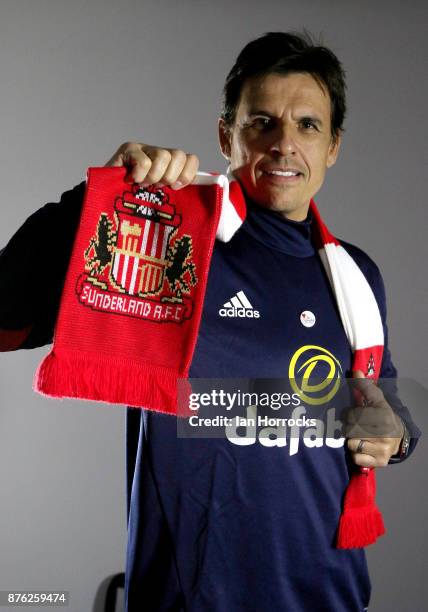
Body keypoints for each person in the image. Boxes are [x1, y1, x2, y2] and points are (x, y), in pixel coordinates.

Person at [0, 32, 418, 611]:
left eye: (307, 126)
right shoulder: (164, 241)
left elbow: (385, 406)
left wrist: (393, 437)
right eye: (262, 123)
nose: (284, 145)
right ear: (227, 134)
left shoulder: (354, 273)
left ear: (335, 146)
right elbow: (6, 319)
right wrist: (94, 205)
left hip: (331, 595)